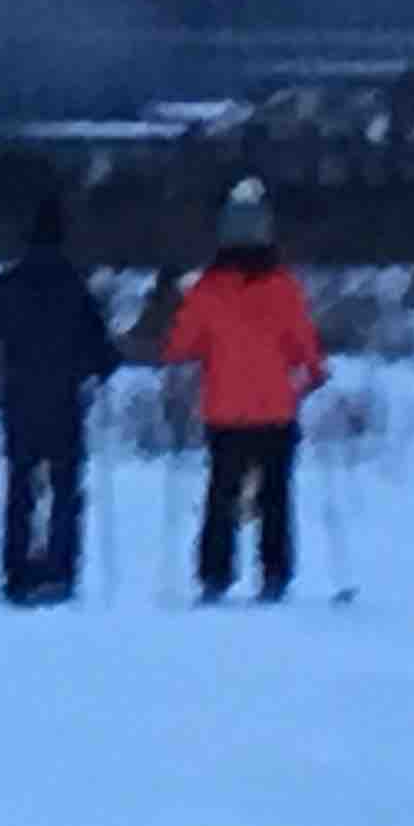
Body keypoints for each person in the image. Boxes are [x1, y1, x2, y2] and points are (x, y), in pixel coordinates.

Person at [159, 176, 325, 603]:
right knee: (275, 495)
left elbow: (181, 346)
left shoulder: (207, 290)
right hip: (275, 408)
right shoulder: (284, 287)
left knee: (222, 493)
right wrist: (313, 371)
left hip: (225, 409)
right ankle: (274, 574)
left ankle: (215, 575)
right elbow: (304, 343)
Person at [0, 193, 124, 602]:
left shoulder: (6, 285)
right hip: (65, 401)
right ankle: (60, 570)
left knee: (20, 485)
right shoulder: (77, 288)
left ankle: (17, 571)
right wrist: (100, 367)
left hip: (20, 399)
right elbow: (103, 352)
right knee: (66, 487)